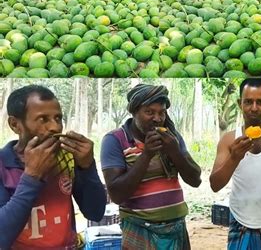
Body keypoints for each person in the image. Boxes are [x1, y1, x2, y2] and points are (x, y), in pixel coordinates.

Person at [0, 85, 106, 249]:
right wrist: (32, 177)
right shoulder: (2, 165)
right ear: (15, 125)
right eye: (43, 119)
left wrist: (87, 166)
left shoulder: (66, 158)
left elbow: (95, 212)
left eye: (58, 118)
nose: (55, 128)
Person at [100, 84, 201, 250]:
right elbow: (117, 194)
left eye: (161, 112)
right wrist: (146, 155)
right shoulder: (114, 140)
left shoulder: (171, 137)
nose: (157, 118)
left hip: (176, 229)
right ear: (134, 112)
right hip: (139, 229)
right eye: (149, 112)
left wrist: (174, 152)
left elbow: (195, 180)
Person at [210, 78, 261, 249]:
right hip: (240, 220)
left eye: (260, 102)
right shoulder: (228, 139)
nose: (254, 108)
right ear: (239, 104)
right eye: (248, 102)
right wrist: (234, 158)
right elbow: (215, 184)